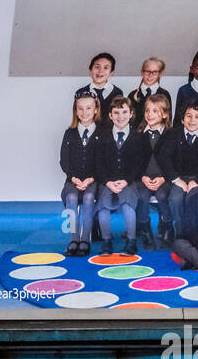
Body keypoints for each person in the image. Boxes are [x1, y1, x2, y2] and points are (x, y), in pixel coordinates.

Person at [157, 101, 198, 235]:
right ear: (182, 119)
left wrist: (197, 180)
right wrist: (176, 179)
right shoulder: (174, 133)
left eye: (197, 116)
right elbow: (163, 157)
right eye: (188, 116)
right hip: (177, 176)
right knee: (176, 199)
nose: (192, 120)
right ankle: (180, 232)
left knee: (193, 197)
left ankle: (196, 231)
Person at [94, 96, 143, 255]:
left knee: (128, 205)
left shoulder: (137, 137)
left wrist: (126, 181)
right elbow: (99, 163)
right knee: (103, 208)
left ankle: (131, 241)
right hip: (107, 181)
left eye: (124, 112)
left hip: (127, 181)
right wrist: (107, 182)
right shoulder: (103, 137)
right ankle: (106, 241)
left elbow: (138, 164)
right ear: (110, 115)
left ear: (131, 114)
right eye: (116, 112)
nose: (120, 116)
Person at [60, 95, 100, 256]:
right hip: (73, 180)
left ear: (95, 110)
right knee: (71, 197)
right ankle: (74, 238)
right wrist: (74, 178)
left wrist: (91, 179)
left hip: (93, 180)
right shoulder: (69, 133)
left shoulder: (102, 133)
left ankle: (85, 239)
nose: (85, 112)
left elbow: (102, 161)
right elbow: (64, 160)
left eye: (89, 108)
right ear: (75, 111)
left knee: (89, 197)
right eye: (80, 108)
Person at [135, 94, 172, 248]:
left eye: (155, 111)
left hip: (164, 178)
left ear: (164, 114)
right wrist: (142, 177)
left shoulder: (171, 135)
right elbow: (134, 161)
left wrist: (163, 178)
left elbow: (175, 161)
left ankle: (167, 225)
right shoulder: (138, 135)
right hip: (144, 178)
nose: (149, 114)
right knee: (142, 196)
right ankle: (145, 230)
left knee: (163, 195)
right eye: (147, 111)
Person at [75, 52, 124, 124]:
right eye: (97, 67)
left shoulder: (117, 92)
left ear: (111, 73)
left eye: (106, 68)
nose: (100, 71)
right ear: (90, 71)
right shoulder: (81, 92)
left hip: (109, 134)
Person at [127, 57, 171, 123]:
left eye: (155, 72)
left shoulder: (164, 94)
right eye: (147, 71)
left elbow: (168, 120)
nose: (150, 75)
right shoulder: (132, 95)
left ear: (160, 73)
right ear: (142, 72)